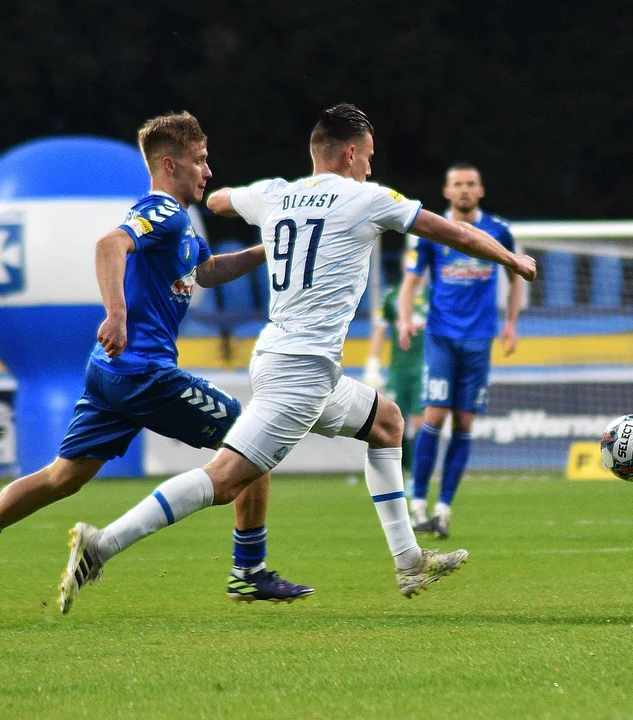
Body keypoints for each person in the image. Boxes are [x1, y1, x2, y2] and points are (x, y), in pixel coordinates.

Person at [57, 103, 537, 612]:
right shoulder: (367, 198)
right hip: (301, 371)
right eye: (368, 156)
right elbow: (452, 232)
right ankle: (102, 543)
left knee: (387, 422)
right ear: (351, 154)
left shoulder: (275, 194)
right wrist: (510, 258)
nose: (371, 167)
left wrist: (262, 212)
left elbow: (219, 200)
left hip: (284, 358)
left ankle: (408, 560)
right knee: (224, 480)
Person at [0, 111, 313, 614]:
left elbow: (209, 271)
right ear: (170, 164)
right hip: (141, 370)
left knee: (64, 478)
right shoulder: (162, 212)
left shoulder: (179, 226)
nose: (208, 171)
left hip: (110, 372)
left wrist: (270, 250)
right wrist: (117, 314)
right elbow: (110, 244)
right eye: (200, 161)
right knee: (251, 440)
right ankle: (249, 570)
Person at [399, 163, 524, 540]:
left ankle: (444, 509)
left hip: (479, 341)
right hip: (440, 337)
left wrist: (511, 323)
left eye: (471, 184)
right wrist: (406, 318)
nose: (465, 190)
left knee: (465, 425)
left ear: (480, 191)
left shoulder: (499, 230)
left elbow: (515, 277)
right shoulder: (432, 232)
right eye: (458, 184)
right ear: (447, 191)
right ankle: (418, 502)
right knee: (434, 415)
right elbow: (410, 282)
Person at [364, 242, 429, 480]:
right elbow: (380, 331)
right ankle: (405, 471)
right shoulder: (392, 297)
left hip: (423, 369)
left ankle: (421, 472)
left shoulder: (434, 296)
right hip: (398, 370)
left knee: (423, 422)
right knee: (396, 423)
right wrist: (372, 363)